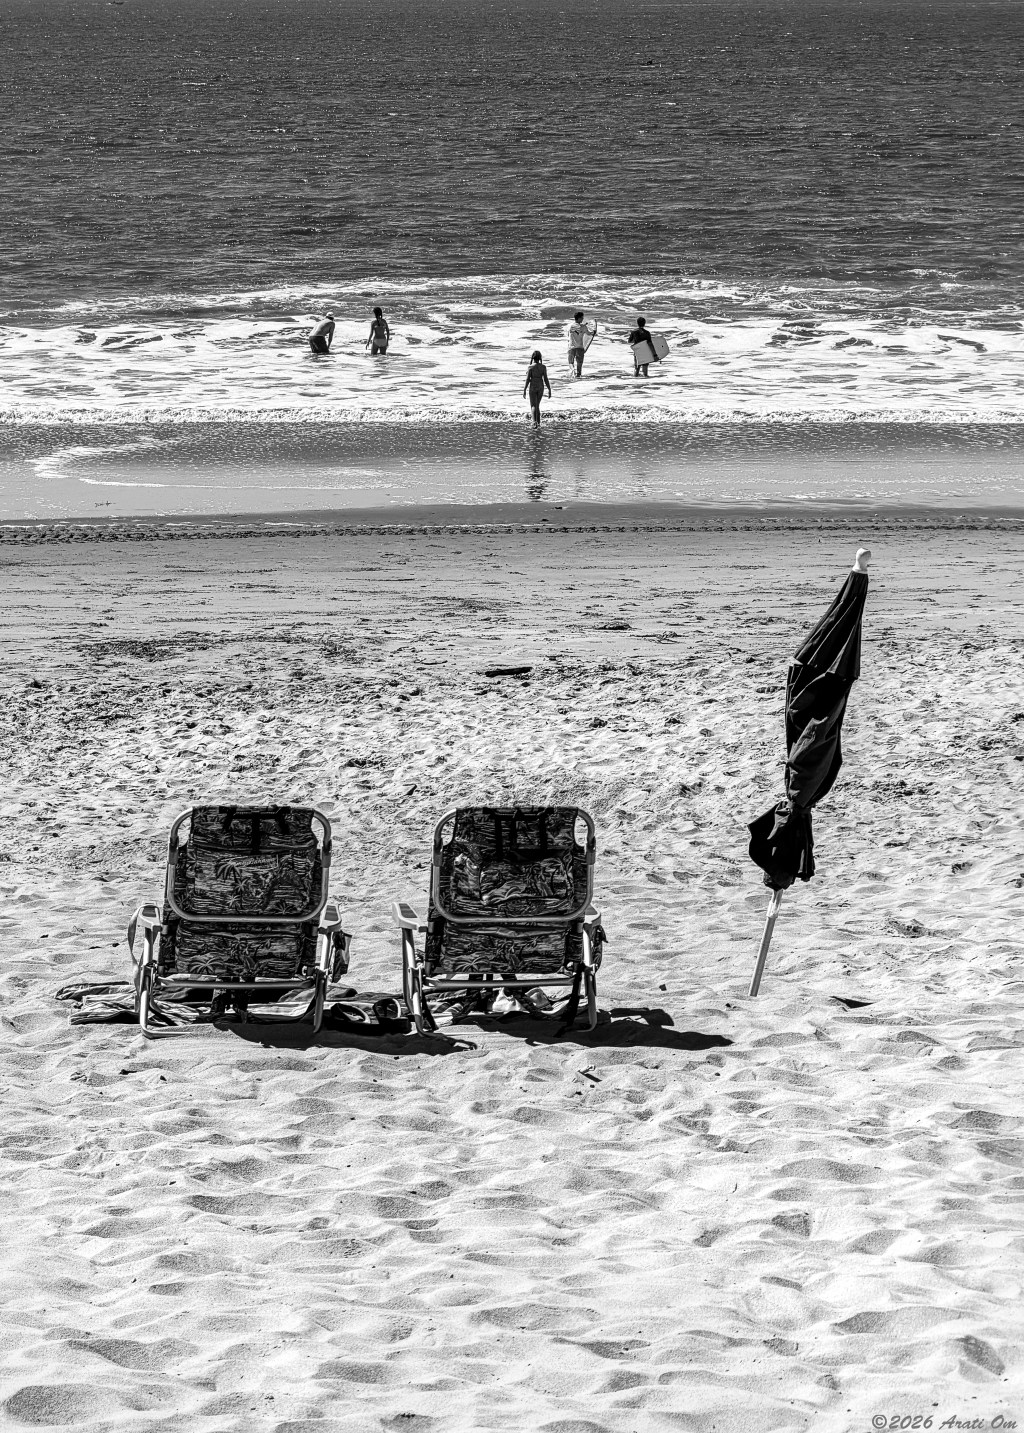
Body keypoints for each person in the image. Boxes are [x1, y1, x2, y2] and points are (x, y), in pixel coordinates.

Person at [523, 350, 551, 425]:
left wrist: (525, 389)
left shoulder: (530, 367)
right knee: (537, 405)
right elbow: (545, 379)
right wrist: (549, 389)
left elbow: (528, 379)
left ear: (533, 358)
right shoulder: (543, 367)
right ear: (540, 358)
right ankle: (538, 423)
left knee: (533, 406)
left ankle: (534, 422)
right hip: (540, 386)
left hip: (533, 386)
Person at [567, 310, 597, 378]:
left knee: (570, 362)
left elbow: (569, 335)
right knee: (579, 364)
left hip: (571, 347)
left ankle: (572, 370)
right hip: (580, 348)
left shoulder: (570, 326)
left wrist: (583, 325)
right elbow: (590, 333)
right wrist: (594, 331)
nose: (583, 319)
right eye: (582, 318)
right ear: (579, 318)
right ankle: (578, 376)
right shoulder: (583, 327)